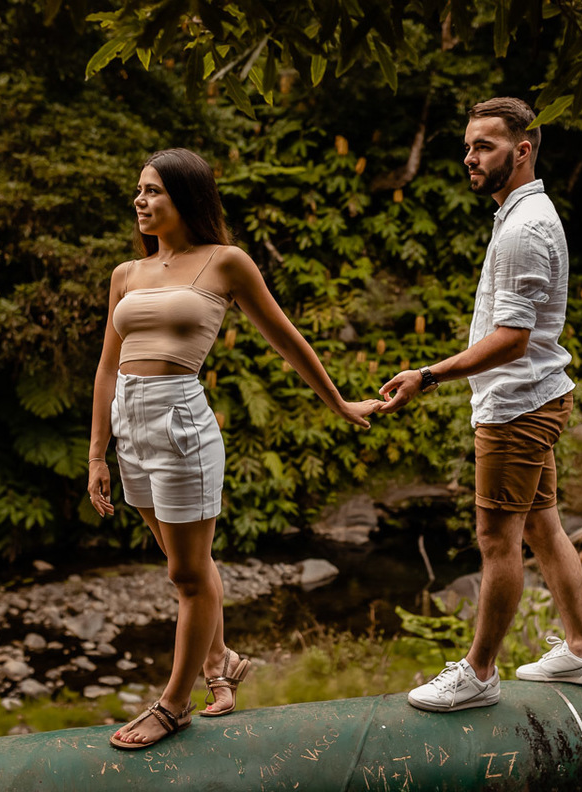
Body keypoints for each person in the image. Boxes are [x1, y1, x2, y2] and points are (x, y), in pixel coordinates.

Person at [88, 148, 382, 749]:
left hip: (180, 428)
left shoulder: (226, 263)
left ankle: (173, 706)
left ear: (185, 197)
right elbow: (106, 369)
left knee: (186, 572)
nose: (141, 202)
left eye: (153, 191)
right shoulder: (126, 274)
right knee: (187, 567)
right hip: (130, 431)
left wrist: (340, 404)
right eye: (138, 191)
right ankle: (221, 661)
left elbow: (287, 339)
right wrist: (97, 452)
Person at [378, 97, 582, 712]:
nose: (469, 158)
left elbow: (512, 340)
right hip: (533, 399)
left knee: (497, 540)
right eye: (468, 146)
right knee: (541, 524)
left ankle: (479, 673)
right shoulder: (521, 216)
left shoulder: (525, 227)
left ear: (522, 150)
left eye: (484, 147)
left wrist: (428, 374)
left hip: (516, 407)